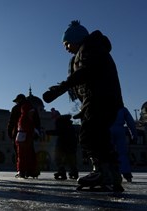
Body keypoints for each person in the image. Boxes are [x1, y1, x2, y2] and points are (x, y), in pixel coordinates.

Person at [43, 20, 125, 192]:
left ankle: (102, 172)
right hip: (104, 100)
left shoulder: (89, 49)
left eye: (66, 43)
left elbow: (85, 73)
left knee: (89, 136)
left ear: (75, 39)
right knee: (100, 138)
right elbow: (88, 78)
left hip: (100, 100)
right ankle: (111, 173)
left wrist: (60, 88)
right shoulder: (92, 49)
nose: (65, 48)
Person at [46, 114, 78, 180]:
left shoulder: (60, 123)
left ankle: (62, 171)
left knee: (58, 158)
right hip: (71, 144)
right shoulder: (70, 125)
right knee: (70, 159)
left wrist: (48, 132)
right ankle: (74, 172)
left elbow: (59, 131)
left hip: (62, 144)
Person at [14, 96, 40, 179]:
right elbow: (27, 128)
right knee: (23, 155)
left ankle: (28, 170)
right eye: (30, 112)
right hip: (23, 139)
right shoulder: (25, 119)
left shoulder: (27, 118)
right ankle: (23, 170)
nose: (32, 114)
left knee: (27, 155)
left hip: (25, 138)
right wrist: (33, 132)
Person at [111, 107, 138, 182]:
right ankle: (127, 174)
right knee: (122, 153)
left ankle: (111, 173)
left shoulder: (104, 106)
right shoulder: (122, 108)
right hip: (120, 130)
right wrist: (134, 135)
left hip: (107, 129)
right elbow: (130, 122)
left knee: (108, 152)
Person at [7, 94, 24, 168]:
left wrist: (10, 133)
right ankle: (30, 169)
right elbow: (36, 122)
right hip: (29, 133)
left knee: (19, 152)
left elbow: (11, 122)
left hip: (18, 133)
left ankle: (21, 169)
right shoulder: (31, 108)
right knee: (28, 151)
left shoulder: (15, 108)